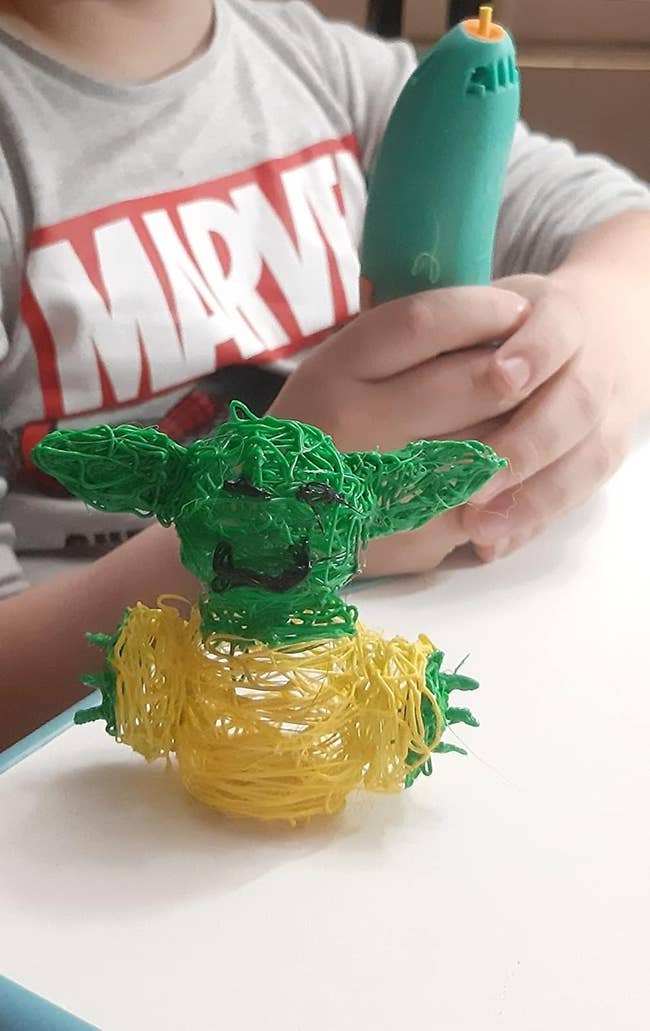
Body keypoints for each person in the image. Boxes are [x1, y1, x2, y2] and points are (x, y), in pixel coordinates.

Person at [0, 0, 648, 748]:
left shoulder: (321, 67)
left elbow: (625, 233)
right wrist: (268, 527)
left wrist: (587, 337)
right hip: (126, 745)